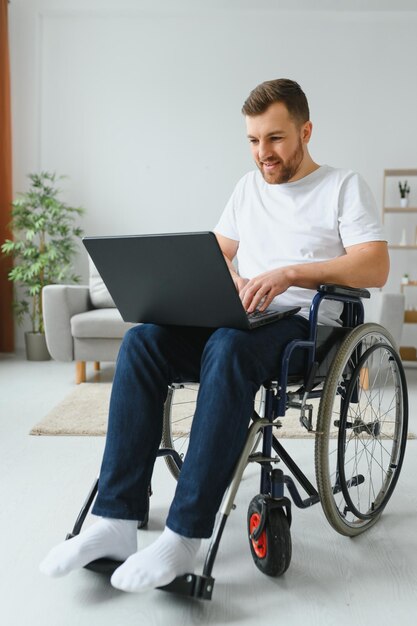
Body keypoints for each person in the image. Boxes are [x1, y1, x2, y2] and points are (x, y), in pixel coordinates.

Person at [40, 79, 389, 592]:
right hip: (240, 319)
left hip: (305, 330)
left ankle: (184, 538)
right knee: (142, 342)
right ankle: (114, 522)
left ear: (305, 131)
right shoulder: (247, 189)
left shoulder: (341, 186)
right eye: (253, 141)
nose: (262, 154)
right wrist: (235, 279)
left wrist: (287, 274)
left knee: (227, 348)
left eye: (275, 139)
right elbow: (221, 252)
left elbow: (374, 265)